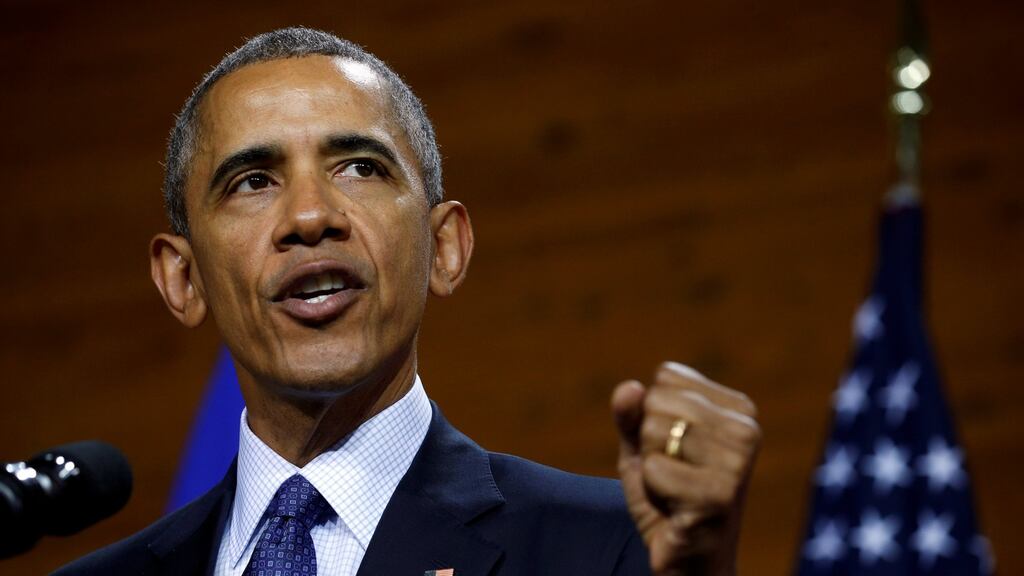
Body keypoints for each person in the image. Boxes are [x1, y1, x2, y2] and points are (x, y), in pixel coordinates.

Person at [55, 27, 760, 576]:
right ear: (183, 280)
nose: (310, 216)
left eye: (360, 167)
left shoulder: (607, 549)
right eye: (252, 181)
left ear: (445, 248)